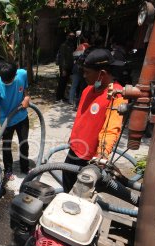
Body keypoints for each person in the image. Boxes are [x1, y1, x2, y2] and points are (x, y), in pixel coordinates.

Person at [62, 48, 127, 193]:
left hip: (90, 159)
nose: (83, 75)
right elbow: (82, 119)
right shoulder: (87, 90)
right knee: (67, 188)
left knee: (83, 195)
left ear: (102, 74)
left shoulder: (116, 95)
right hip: (74, 150)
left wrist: (101, 156)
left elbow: (111, 128)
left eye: (87, 72)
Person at [0, 63, 30, 181]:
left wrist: (27, 97)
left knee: (24, 143)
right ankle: (8, 170)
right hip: (6, 121)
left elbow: (25, 90)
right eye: (4, 81)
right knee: (6, 146)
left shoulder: (22, 74)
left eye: (8, 81)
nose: (6, 83)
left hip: (22, 117)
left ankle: (25, 168)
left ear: (15, 75)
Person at [69, 34, 90, 109]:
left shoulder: (78, 47)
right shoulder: (86, 47)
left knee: (74, 86)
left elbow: (74, 56)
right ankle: (78, 103)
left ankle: (71, 101)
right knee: (81, 87)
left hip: (75, 69)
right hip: (80, 70)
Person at [56, 32, 76, 102]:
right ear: (67, 36)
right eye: (70, 36)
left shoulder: (71, 45)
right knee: (62, 82)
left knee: (65, 82)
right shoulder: (64, 45)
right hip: (64, 67)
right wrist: (63, 69)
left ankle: (62, 96)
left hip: (69, 66)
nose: (72, 38)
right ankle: (58, 97)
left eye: (73, 36)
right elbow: (63, 58)